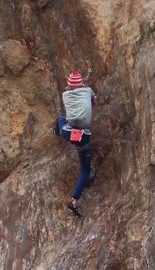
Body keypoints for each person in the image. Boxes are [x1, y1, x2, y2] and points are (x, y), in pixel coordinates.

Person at [53, 71, 96, 216]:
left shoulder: (65, 95)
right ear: (81, 83)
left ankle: (56, 131)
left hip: (67, 132)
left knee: (60, 117)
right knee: (85, 169)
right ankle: (74, 200)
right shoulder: (88, 91)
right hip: (82, 135)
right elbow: (93, 102)